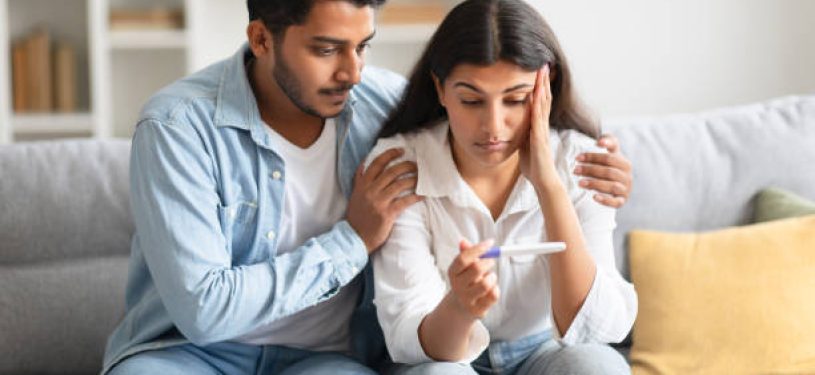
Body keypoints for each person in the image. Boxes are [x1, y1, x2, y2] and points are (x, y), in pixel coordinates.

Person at [102, 0, 634, 374]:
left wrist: (600, 170)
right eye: (328, 49)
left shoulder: (380, 107)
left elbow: (480, 120)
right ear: (262, 38)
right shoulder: (177, 128)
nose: (352, 72)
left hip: (328, 361)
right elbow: (203, 311)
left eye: (363, 47)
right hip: (188, 355)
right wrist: (351, 240)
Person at [369, 1, 637, 374]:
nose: (493, 126)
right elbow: (408, 339)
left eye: (515, 99)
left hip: (545, 350)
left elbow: (595, 328)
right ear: (440, 89)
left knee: (596, 367)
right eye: (471, 100)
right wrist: (460, 307)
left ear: (546, 88)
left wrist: (548, 184)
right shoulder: (402, 164)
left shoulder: (583, 162)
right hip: (448, 356)